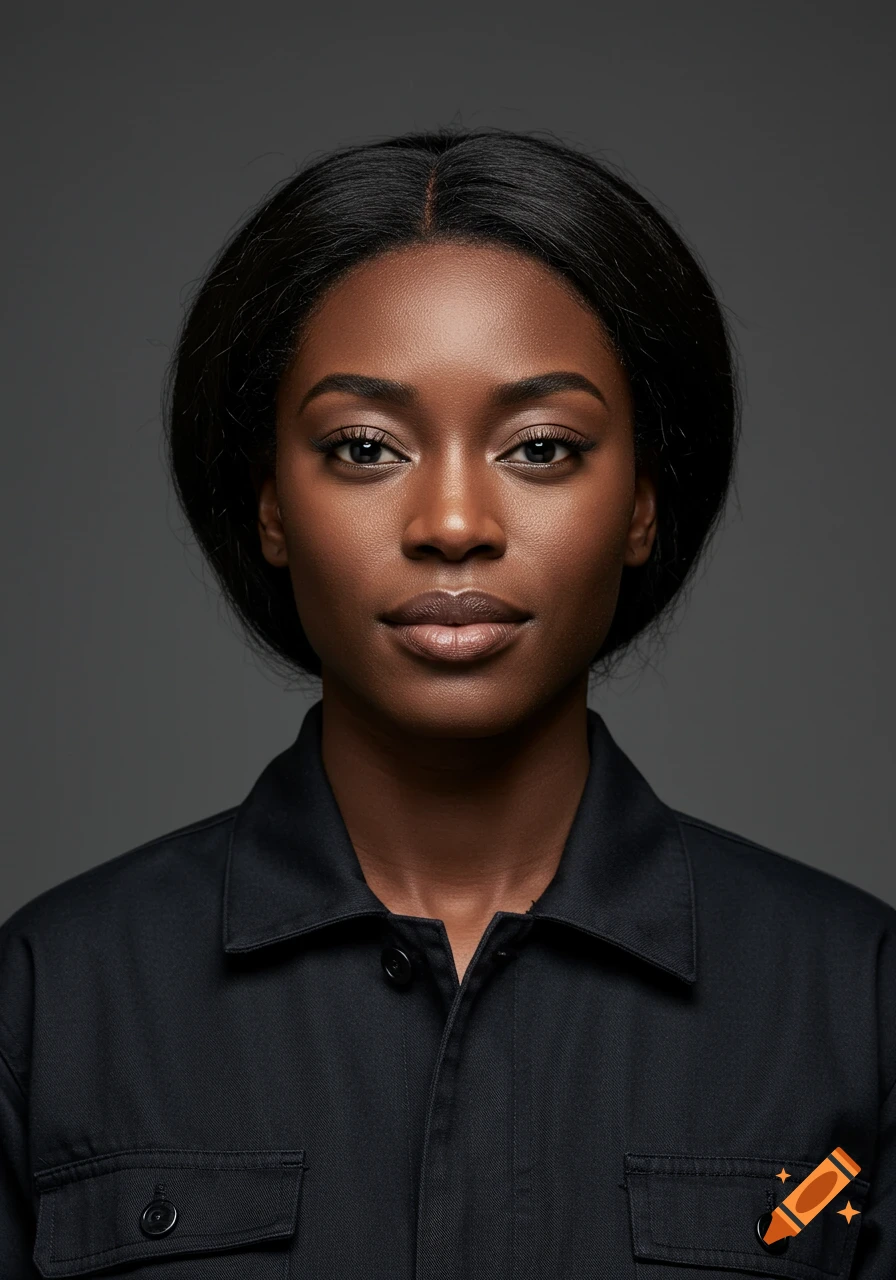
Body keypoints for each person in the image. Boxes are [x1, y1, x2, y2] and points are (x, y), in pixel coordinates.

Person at [1, 127, 893, 1278]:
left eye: (542, 446)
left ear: (641, 503)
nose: (454, 520)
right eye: (365, 445)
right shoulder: (53, 1003)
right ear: (269, 505)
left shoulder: (854, 1003)